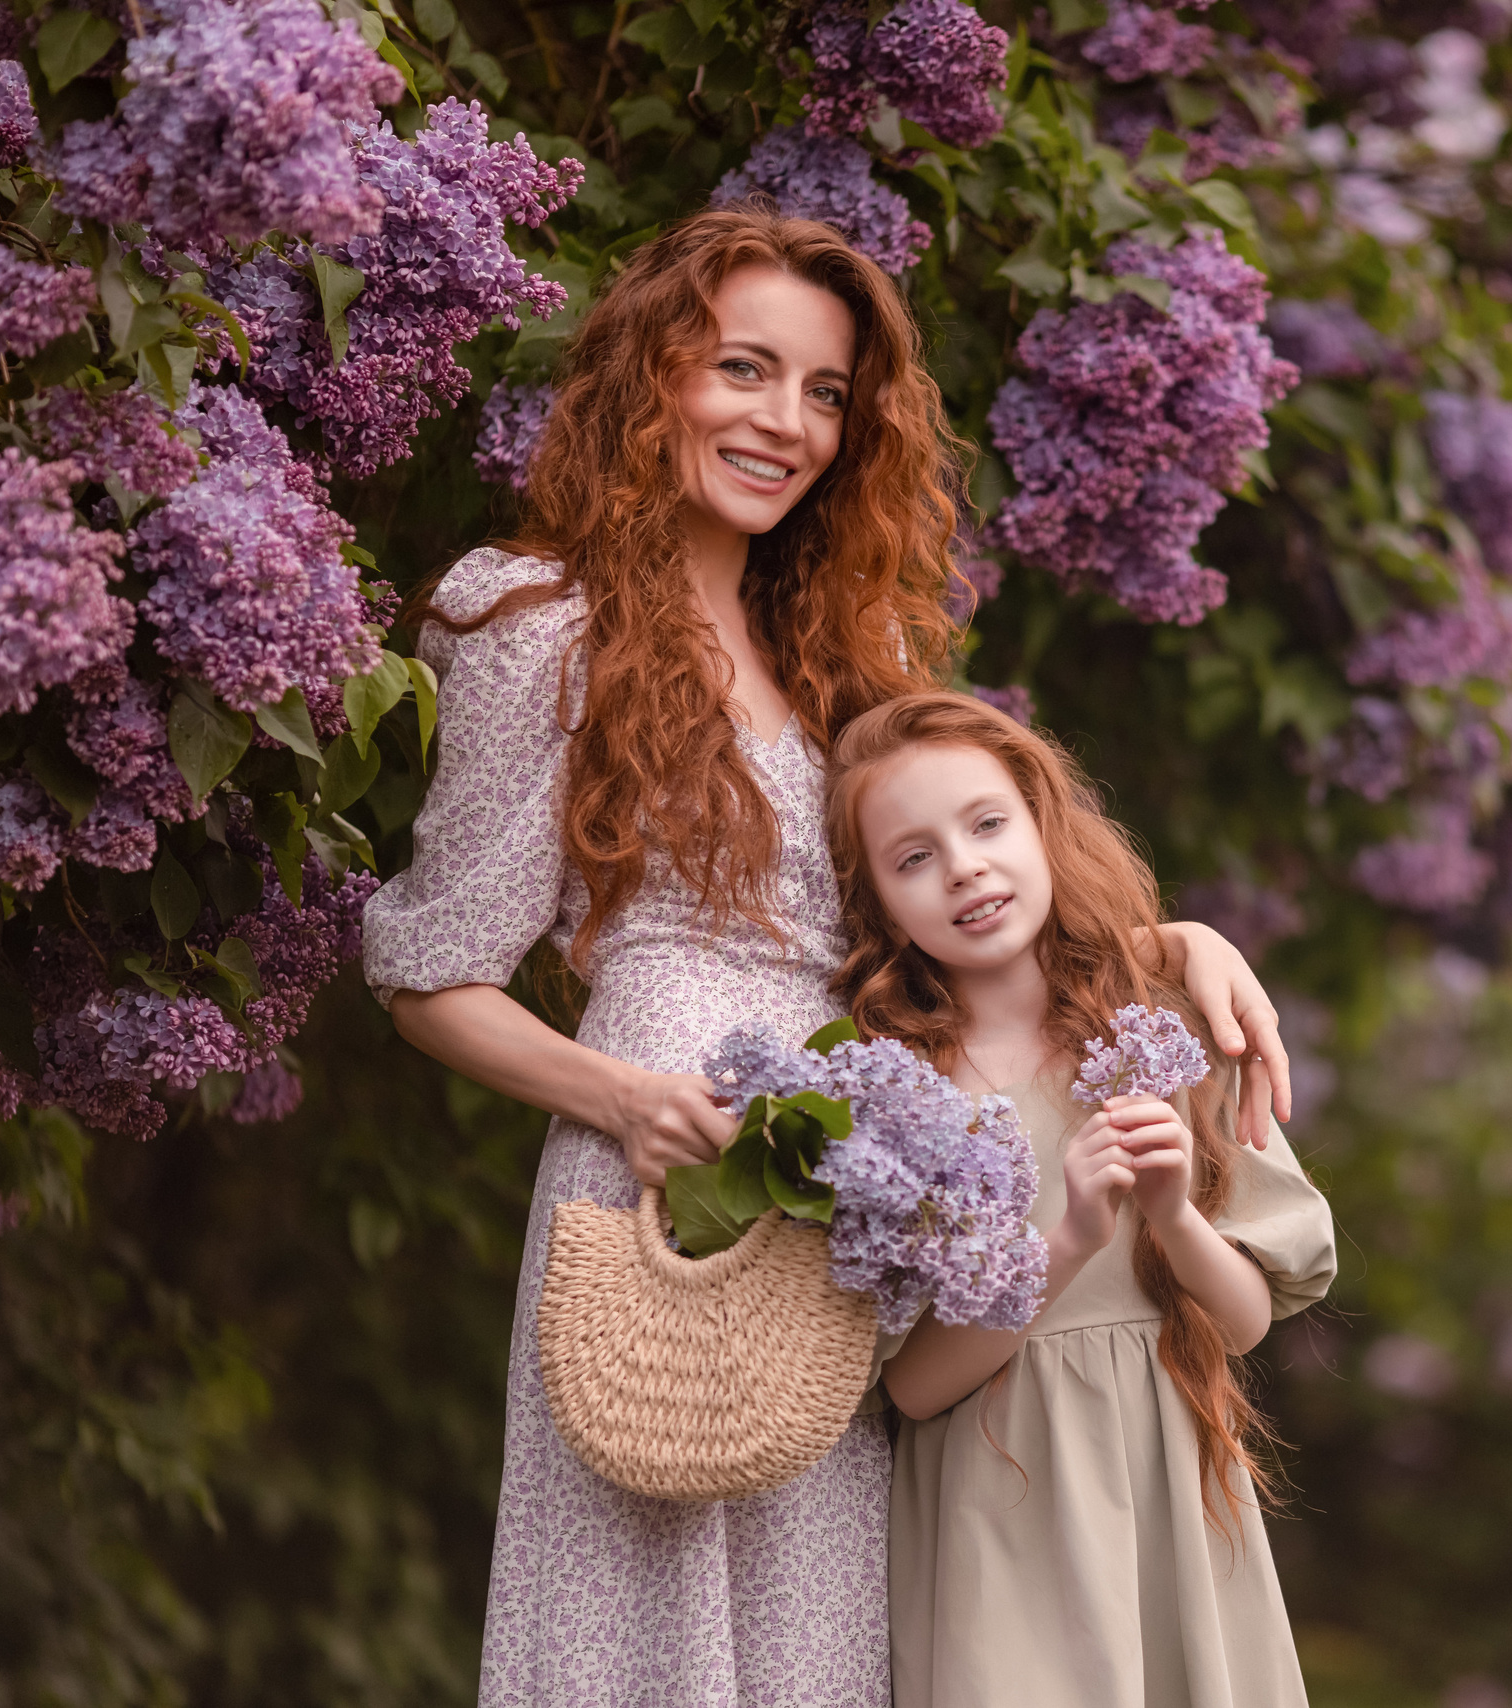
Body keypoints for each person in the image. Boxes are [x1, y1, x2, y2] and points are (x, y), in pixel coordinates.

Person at [358, 207, 1295, 1707]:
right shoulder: (532, 617)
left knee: (822, 1633)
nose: (784, 422)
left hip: (870, 1176)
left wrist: (1179, 942)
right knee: (646, 1628)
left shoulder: (845, 654)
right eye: (744, 368)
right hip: (675, 1163)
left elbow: (979, 894)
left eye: (824, 393)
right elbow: (431, 978)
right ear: (651, 376)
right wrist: (619, 1101)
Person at [822, 691, 1334, 1708]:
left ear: (1042, 827)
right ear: (877, 901)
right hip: (994, 1510)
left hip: (1165, 1492)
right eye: (912, 857)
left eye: (986, 823)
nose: (964, 866)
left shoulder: (1164, 1033)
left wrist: (1176, 1214)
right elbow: (913, 1390)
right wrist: (1069, 1238)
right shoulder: (893, 1090)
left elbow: (1240, 1323)